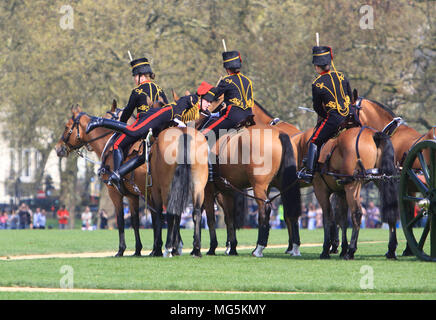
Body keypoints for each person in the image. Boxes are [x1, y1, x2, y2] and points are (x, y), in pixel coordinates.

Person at [86, 57, 168, 191]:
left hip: (143, 126)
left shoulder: (137, 91)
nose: (134, 79)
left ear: (141, 76)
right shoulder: (160, 90)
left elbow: (127, 112)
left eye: (135, 76)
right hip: (159, 127)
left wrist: (121, 126)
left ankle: (117, 176)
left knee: (117, 144)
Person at [297, 46, 353, 183]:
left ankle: (309, 173)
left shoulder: (317, 84)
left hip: (334, 119)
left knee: (314, 140)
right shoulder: (341, 76)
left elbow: (317, 107)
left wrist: (325, 115)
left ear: (317, 66)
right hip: (351, 116)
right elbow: (350, 98)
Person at [201, 50, 255, 137]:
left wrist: (204, 97)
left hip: (233, 118)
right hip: (249, 117)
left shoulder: (227, 80)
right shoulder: (248, 81)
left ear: (227, 68)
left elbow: (214, 95)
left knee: (203, 134)